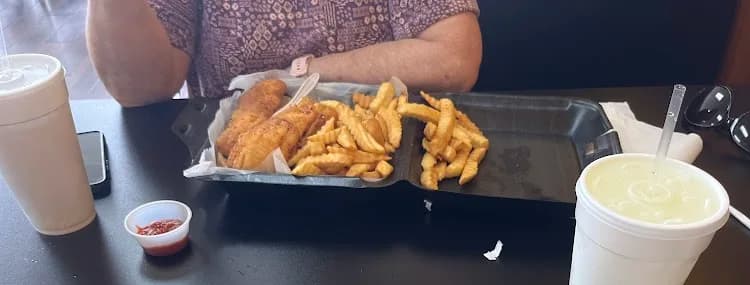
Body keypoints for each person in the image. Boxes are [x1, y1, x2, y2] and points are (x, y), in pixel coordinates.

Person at [87, 0, 481, 107]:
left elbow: (453, 60)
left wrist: (294, 77)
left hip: (388, 181)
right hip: (231, 188)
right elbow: (140, 89)